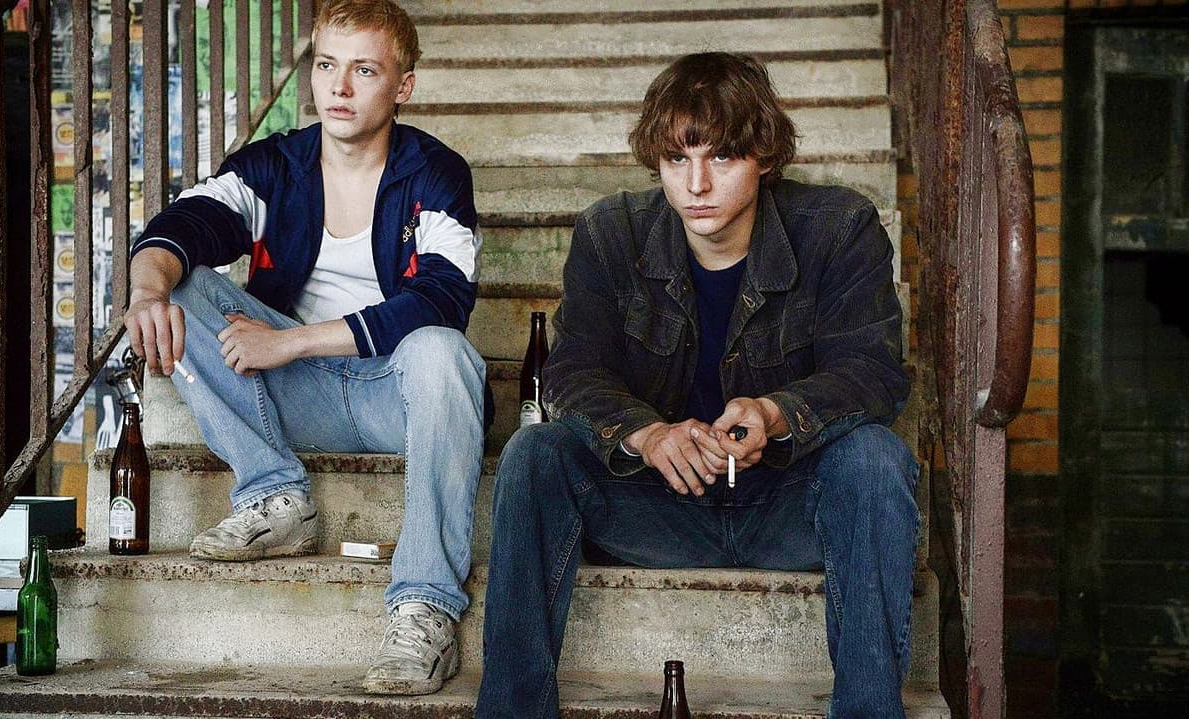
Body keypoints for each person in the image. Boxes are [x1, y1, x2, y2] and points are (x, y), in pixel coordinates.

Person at [474, 52, 919, 719]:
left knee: (876, 458)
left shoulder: (838, 229)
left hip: (788, 505)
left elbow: (875, 372)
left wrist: (775, 412)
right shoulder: (611, 233)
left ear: (764, 157)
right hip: (655, 505)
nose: (697, 184)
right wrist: (645, 433)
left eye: (722, 156)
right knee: (534, 454)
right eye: (677, 159)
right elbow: (571, 371)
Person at [122, 0, 483, 697]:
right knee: (181, 283)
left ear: (402, 86)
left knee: (443, 351)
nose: (339, 87)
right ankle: (276, 497)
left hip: (397, 396)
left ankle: (424, 608)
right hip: (298, 396)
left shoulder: (436, 174)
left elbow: (441, 298)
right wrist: (145, 291)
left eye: (364, 70)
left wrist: (291, 342)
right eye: (326, 65)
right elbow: (186, 222)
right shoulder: (275, 165)